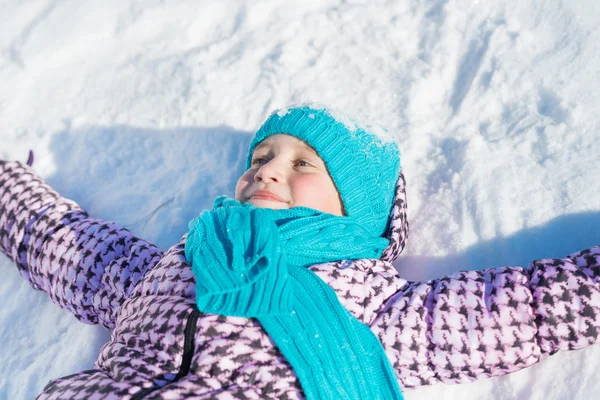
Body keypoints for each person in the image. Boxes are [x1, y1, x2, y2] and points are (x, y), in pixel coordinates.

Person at [1, 104, 599, 400]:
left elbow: (525, 309)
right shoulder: (174, 264)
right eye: (261, 158)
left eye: (302, 164)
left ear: (355, 210)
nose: (268, 171)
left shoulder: (372, 305)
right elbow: (60, 240)